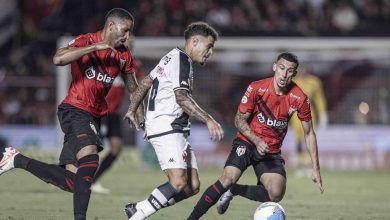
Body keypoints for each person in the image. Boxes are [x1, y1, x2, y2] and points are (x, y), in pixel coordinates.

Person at [0, 8, 144, 220]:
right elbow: (58, 59)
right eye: (125, 31)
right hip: (75, 109)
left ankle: (17, 160)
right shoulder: (87, 40)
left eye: (130, 32)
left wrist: (136, 110)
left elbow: (133, 85)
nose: (127, 37)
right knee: (91, 160)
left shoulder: (124, 55)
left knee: (73, 181)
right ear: (111, 26)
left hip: (94, 115)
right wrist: (96, 46)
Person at [187, 52, 324, 220]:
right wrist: (257, 140)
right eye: (281, 68)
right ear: (275, 67)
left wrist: (316, 168)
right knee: (228, 178)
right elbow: (239, 120)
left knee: (275, 194)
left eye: (289, 70)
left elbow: (309, 133)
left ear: (294, 74)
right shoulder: (257, 88)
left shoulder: (299, 98)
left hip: (270, 151)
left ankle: (234, 190)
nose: (284, 74)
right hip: (247, 142)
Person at [123, 22, 224, 220]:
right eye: (209, 46)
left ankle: (139, 208)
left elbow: (144, 83)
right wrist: (208, 119)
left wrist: (133, 110)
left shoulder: (171, 56)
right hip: (168, 126)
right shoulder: (182, 60)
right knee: (178, 183)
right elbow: (181, 98)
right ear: (195, 42)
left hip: (170, 127)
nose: (210, 52)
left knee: (191, 186)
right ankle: (139, 215)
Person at [91, 35, 144, 194]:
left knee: (116, 148)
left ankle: (93, 180)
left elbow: (138, 85)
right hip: (98, 111)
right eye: (128, 40)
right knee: (91, 147)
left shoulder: (133, 64)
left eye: (133, 41)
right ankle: (68, 173)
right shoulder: (108, 59)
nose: (131, 43)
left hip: (113, 113)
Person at [290, 65, 328, 178]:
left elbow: (319, 98)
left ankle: (309, 166)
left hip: (310, 112)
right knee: (298, 140)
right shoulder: (292, 82)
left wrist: (323, 113)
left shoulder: (314, 82)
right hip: (296, 113)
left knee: (309, 139)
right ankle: (299, 165)